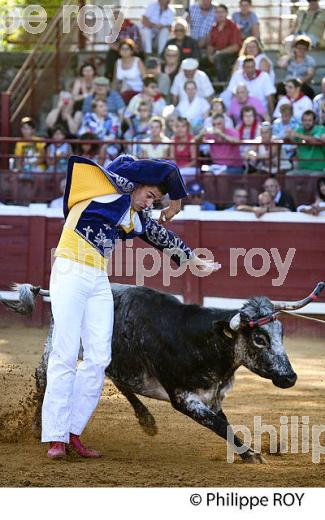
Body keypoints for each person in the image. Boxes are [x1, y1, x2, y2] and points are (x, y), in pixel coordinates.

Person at [42, 154, 218, 459]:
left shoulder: (134, 215)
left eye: (156, 200)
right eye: (150, 195)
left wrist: (190, 259)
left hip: (97, 277)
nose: (151, 203)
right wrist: (175, 202)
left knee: (99, 357)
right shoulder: (107, 188)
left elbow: (160, 236)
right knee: (66, 352)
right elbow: (164, 168)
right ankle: (55, 437)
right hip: (69, 269)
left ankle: (72, 432)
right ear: (134, 184)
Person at [207, 4, 242, 83]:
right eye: (217, 12)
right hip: (216, 54)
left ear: (226, 13)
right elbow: (210, 45)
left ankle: (222, 84)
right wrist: (210, 56)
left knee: (220, 58)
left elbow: (235, 47)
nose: (220, 14)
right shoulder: (213, 28)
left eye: (222, 12)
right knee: (200, 62)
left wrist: (218, 53)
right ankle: (210, 84)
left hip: (231, 55)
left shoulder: (233, 27)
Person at [285, 109, 325, 175]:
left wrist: (297, 135)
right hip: (302, 168)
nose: (307, 123)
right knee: (289, 175)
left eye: (309, 120)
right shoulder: (299, 129)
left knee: (313, 177)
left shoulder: (321, 128)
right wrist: (288, 135)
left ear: (314, 121)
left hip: (318, 168)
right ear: (302, 121)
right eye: (305, 120)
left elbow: (314, 140)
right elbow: (291, 138)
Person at [105, 13, 143, 81]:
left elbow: (136, 43)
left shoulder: (133, 27)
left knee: (140, 54)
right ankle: (110, 74)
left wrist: (127, 48)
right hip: (119, 50)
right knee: (111, 54)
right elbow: (110, 42)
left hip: (131, 49)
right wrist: (120, 49)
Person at [113, 39, 145, 104]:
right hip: (122, 94)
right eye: (122, 49)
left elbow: (145, 79)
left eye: (127, 49)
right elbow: (115, 81)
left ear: (131, 51)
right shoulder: (118, 62)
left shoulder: (138, 61)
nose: (124, 51)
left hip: (137, 93)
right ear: (119, 51)